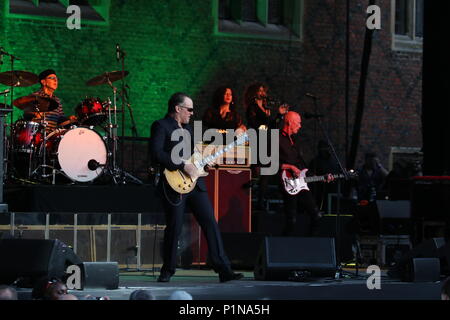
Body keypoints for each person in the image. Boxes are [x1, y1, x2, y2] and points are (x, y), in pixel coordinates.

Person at [150, 92, 243, 283]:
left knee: (210, 222)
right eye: (189, 109)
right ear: (178, 108)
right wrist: (183, 165)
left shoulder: (189, 129)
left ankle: (224, 270)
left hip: (195, 183)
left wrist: (203, 163)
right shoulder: (161, 126)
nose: (192, 113)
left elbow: (194, 153)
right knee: (174, 227)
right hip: (174, 183)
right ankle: (167, 270)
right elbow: (156, 153)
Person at [279, 111, 333, 236]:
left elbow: (302, 167)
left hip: (300, 183)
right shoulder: (276, 139)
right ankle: (281, 248)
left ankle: (309, 245)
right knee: (291, 221)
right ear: (290, 122)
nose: (300, 126)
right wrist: (290, 166)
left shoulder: (295, 141)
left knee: (317, 215)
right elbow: (267, 164)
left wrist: (319, 177)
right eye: (298, 123)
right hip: (286, 182)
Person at [244, 83, 288, 209]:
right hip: (257, 140)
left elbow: (273, 126)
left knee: (266, 171)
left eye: (264, 90)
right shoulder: (252, 107)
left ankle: (261, 201)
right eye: (260, 90)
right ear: (254, 93)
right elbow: (254, 123)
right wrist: (265, 125)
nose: (263, 93)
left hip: (266, 141)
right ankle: (249, 197)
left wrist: (279, 115)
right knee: (257, 170)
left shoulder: (266, 108)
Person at [308, 140, 341, 212]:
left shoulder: (334, 161)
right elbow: (309, 176)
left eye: (326, 148)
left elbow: (336, 173)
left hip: (331, 191)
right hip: (318, 192)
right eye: (323, 148)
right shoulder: (315, 161)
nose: (325, 150)